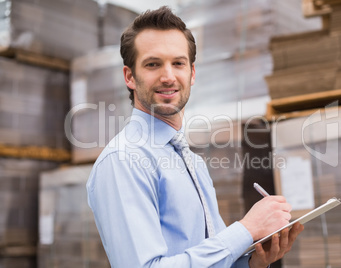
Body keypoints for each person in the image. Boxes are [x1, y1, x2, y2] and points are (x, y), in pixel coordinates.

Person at [87, 6, 304, 268]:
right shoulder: (123, 160)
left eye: (178, 63)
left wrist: (252, 262)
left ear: (192, 74)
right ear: (130, 76)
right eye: (153, 64)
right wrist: (246, 229)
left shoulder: (192, 162)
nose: (168, 77)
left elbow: (211, 259)